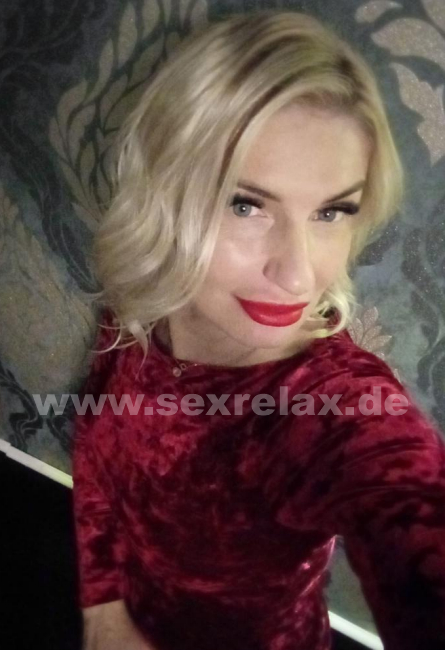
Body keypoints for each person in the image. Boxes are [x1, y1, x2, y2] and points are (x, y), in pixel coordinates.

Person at [71, 10, 445, 650]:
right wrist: (104, 609)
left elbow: (404, 500)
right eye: (246, 204)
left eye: (332, 211)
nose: (297, 275)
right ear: (166, 194)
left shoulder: (334, 407)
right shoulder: (142, 305)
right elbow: (96, 451)